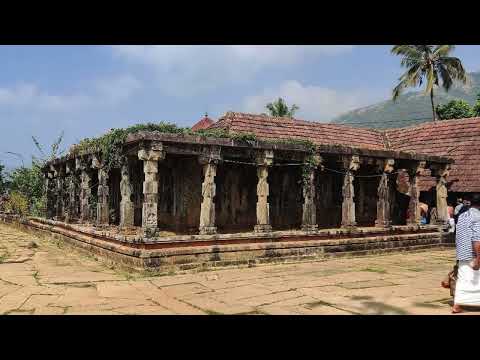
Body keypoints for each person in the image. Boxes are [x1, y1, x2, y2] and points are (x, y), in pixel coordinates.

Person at [451, 193, 480, 314]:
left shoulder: (462, 215)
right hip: (472, 253)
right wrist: (478, 257)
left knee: (463, 280)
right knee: (475, 279)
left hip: (462, 252)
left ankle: (457, 305)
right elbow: (476, 238)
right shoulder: (478, 217)